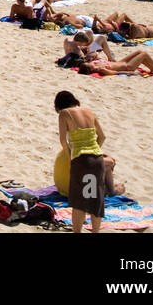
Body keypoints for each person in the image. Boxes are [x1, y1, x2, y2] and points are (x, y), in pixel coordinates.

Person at [55, 90, 116, 233]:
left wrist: (70, 159)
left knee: (79, 202)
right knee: (95, 199)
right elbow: (102, 137)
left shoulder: (65, 113)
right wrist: (94, 150)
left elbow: (63, 141)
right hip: (97, 159)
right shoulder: (89, 112)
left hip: (81, 160)